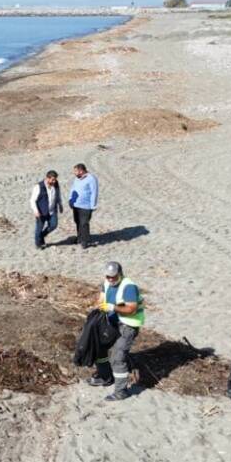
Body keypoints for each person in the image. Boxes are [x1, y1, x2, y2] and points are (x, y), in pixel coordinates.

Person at [86, 261, 145, 401]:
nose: (111, 279)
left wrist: (113, 308)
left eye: (114, 276)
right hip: (112, 323)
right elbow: (101, 299)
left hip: (128, 325)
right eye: (108, 276)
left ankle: (121, 391)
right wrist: (99, 307)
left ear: (120, 274)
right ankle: (105, 376)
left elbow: (131, 309)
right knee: (99, 348)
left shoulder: (129, 287)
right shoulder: (106, 283)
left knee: (118, 358)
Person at [29, 170, 63, 249]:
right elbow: (32, 200)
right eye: (52, 179)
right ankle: (38, 244)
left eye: (55, 179)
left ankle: (41, 236)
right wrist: (36, 211)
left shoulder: (56, 184)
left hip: (52, 210)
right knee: (39, 228)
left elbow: (58, 195)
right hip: (41, 211)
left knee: (53, 225)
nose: (54, 181)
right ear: (47, 178)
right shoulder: (38, 186)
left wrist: (60, 204)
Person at [69, 163, 98, 249]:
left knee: (84, 223)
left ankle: (85, 242)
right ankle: (80, 238)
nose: (74, 173)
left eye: (75, 171)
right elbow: (72, 189)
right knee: (77, 222)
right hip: (76, 205)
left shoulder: (91, 178)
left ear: (81, 171)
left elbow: (94, 192)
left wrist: (93, 205)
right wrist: (70, 199)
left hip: (86, 206)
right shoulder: (77, 179)